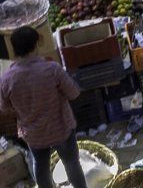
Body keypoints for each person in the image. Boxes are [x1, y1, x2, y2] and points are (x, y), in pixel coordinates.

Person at [0, 26, 87, 188]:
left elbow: (4, 108)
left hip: (34, 135)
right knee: (72, 165)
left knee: (40, 167)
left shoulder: (6, 80)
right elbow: (74, 93)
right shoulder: (52, 69)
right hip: (61, 129)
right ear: (36, 44)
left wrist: (23, 110)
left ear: (14, 49)